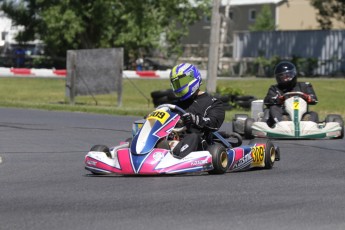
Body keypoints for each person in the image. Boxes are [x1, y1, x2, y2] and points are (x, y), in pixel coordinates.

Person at [169, 63, 225, 158]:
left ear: (192, 78)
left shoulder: (213, 103)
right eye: (176, 84)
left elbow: (213, 123)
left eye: (181, 83)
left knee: (193, 136)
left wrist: (194, 119)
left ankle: (175, 157)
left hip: (200, 144)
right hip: (173, 139)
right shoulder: (175, 105)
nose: (179, 87)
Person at [264, 61, 318, 125]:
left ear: (293, 74)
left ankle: (307, 124)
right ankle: (283, 122)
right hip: (283, 114)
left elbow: (314, 99)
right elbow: (267, 100)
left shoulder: (304, 86)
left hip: (302, 114)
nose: (285, 78)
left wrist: (308, 97)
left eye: (287, 76)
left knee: (313, 114)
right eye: (282, 76)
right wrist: (279, 99)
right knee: (273, 108)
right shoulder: (275, 89)